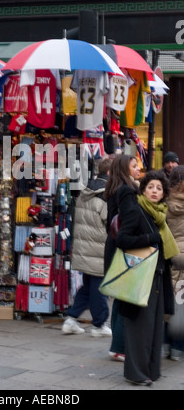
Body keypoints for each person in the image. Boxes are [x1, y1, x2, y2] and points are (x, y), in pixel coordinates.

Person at [116, 171, 177, 386]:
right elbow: (122, 239)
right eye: (151, 187)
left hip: (158, 277)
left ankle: (151, 371)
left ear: (163, 193)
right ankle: (137, 374)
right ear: (143, 189)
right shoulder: (137, 210)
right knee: (139, 329)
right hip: (140, 277)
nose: (154, 191)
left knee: (154, 328)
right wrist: (150, 238)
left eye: (159, 188)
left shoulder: (160, 214)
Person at [62, 158, 112, 337]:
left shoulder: (86, 191)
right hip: (98, 249)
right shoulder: (105, 194)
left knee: (89, 285)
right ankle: (99, 324)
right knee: (99, 286)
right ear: (110, 174)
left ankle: (71, 319)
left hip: (84, 247)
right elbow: (110, 222)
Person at [103, 154, 141, 361]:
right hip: (124, 250)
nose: (138, 169)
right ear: (124, 169)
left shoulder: (114, 189)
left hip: (115, 247)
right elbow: (128, 223)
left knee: (121, 299)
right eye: (134, 166)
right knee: (125, 299)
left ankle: (117, 346)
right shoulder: (127, 191)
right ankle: (119, 347)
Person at [164, 165, 184, 360]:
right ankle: (178, 349)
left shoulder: (165, 203)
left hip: (170, 257)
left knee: (168, 304)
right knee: (182, 304)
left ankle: (164, 345)